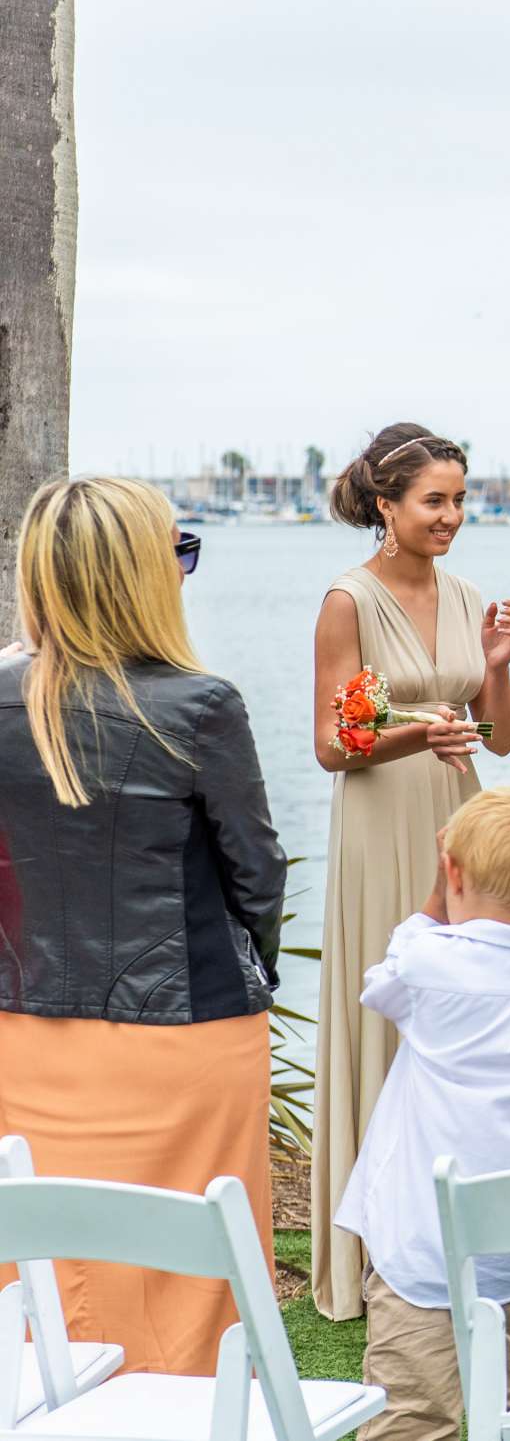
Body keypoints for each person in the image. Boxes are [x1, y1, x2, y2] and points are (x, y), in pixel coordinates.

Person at [0, 476, 284, 1374]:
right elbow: (257, 879)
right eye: (179, 551)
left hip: (23, 1033)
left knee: (39, 1273)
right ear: (139, 577)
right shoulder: (201, 706)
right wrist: (251, 976)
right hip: (187, 1035)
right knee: (193, 1280)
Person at [312, 422, 510, 1319]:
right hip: (379, 823)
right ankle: (369, 1256)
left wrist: (500, 671)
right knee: (388, 1019)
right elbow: (332, 745)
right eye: (434, 501)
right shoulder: (346, 601)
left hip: (459, 817)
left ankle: (455, 1235)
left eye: (460, 500)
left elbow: (502, 738)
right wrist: (414, 733)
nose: (451, 516)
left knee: (459, 1020)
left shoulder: (469, 592)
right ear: (386, 507)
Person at [335, 787, 510, 1441]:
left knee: (411, 1417)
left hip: (423, 1240)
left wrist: (434, 897)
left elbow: (381, 983)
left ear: (454, 874)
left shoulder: (429, 963)